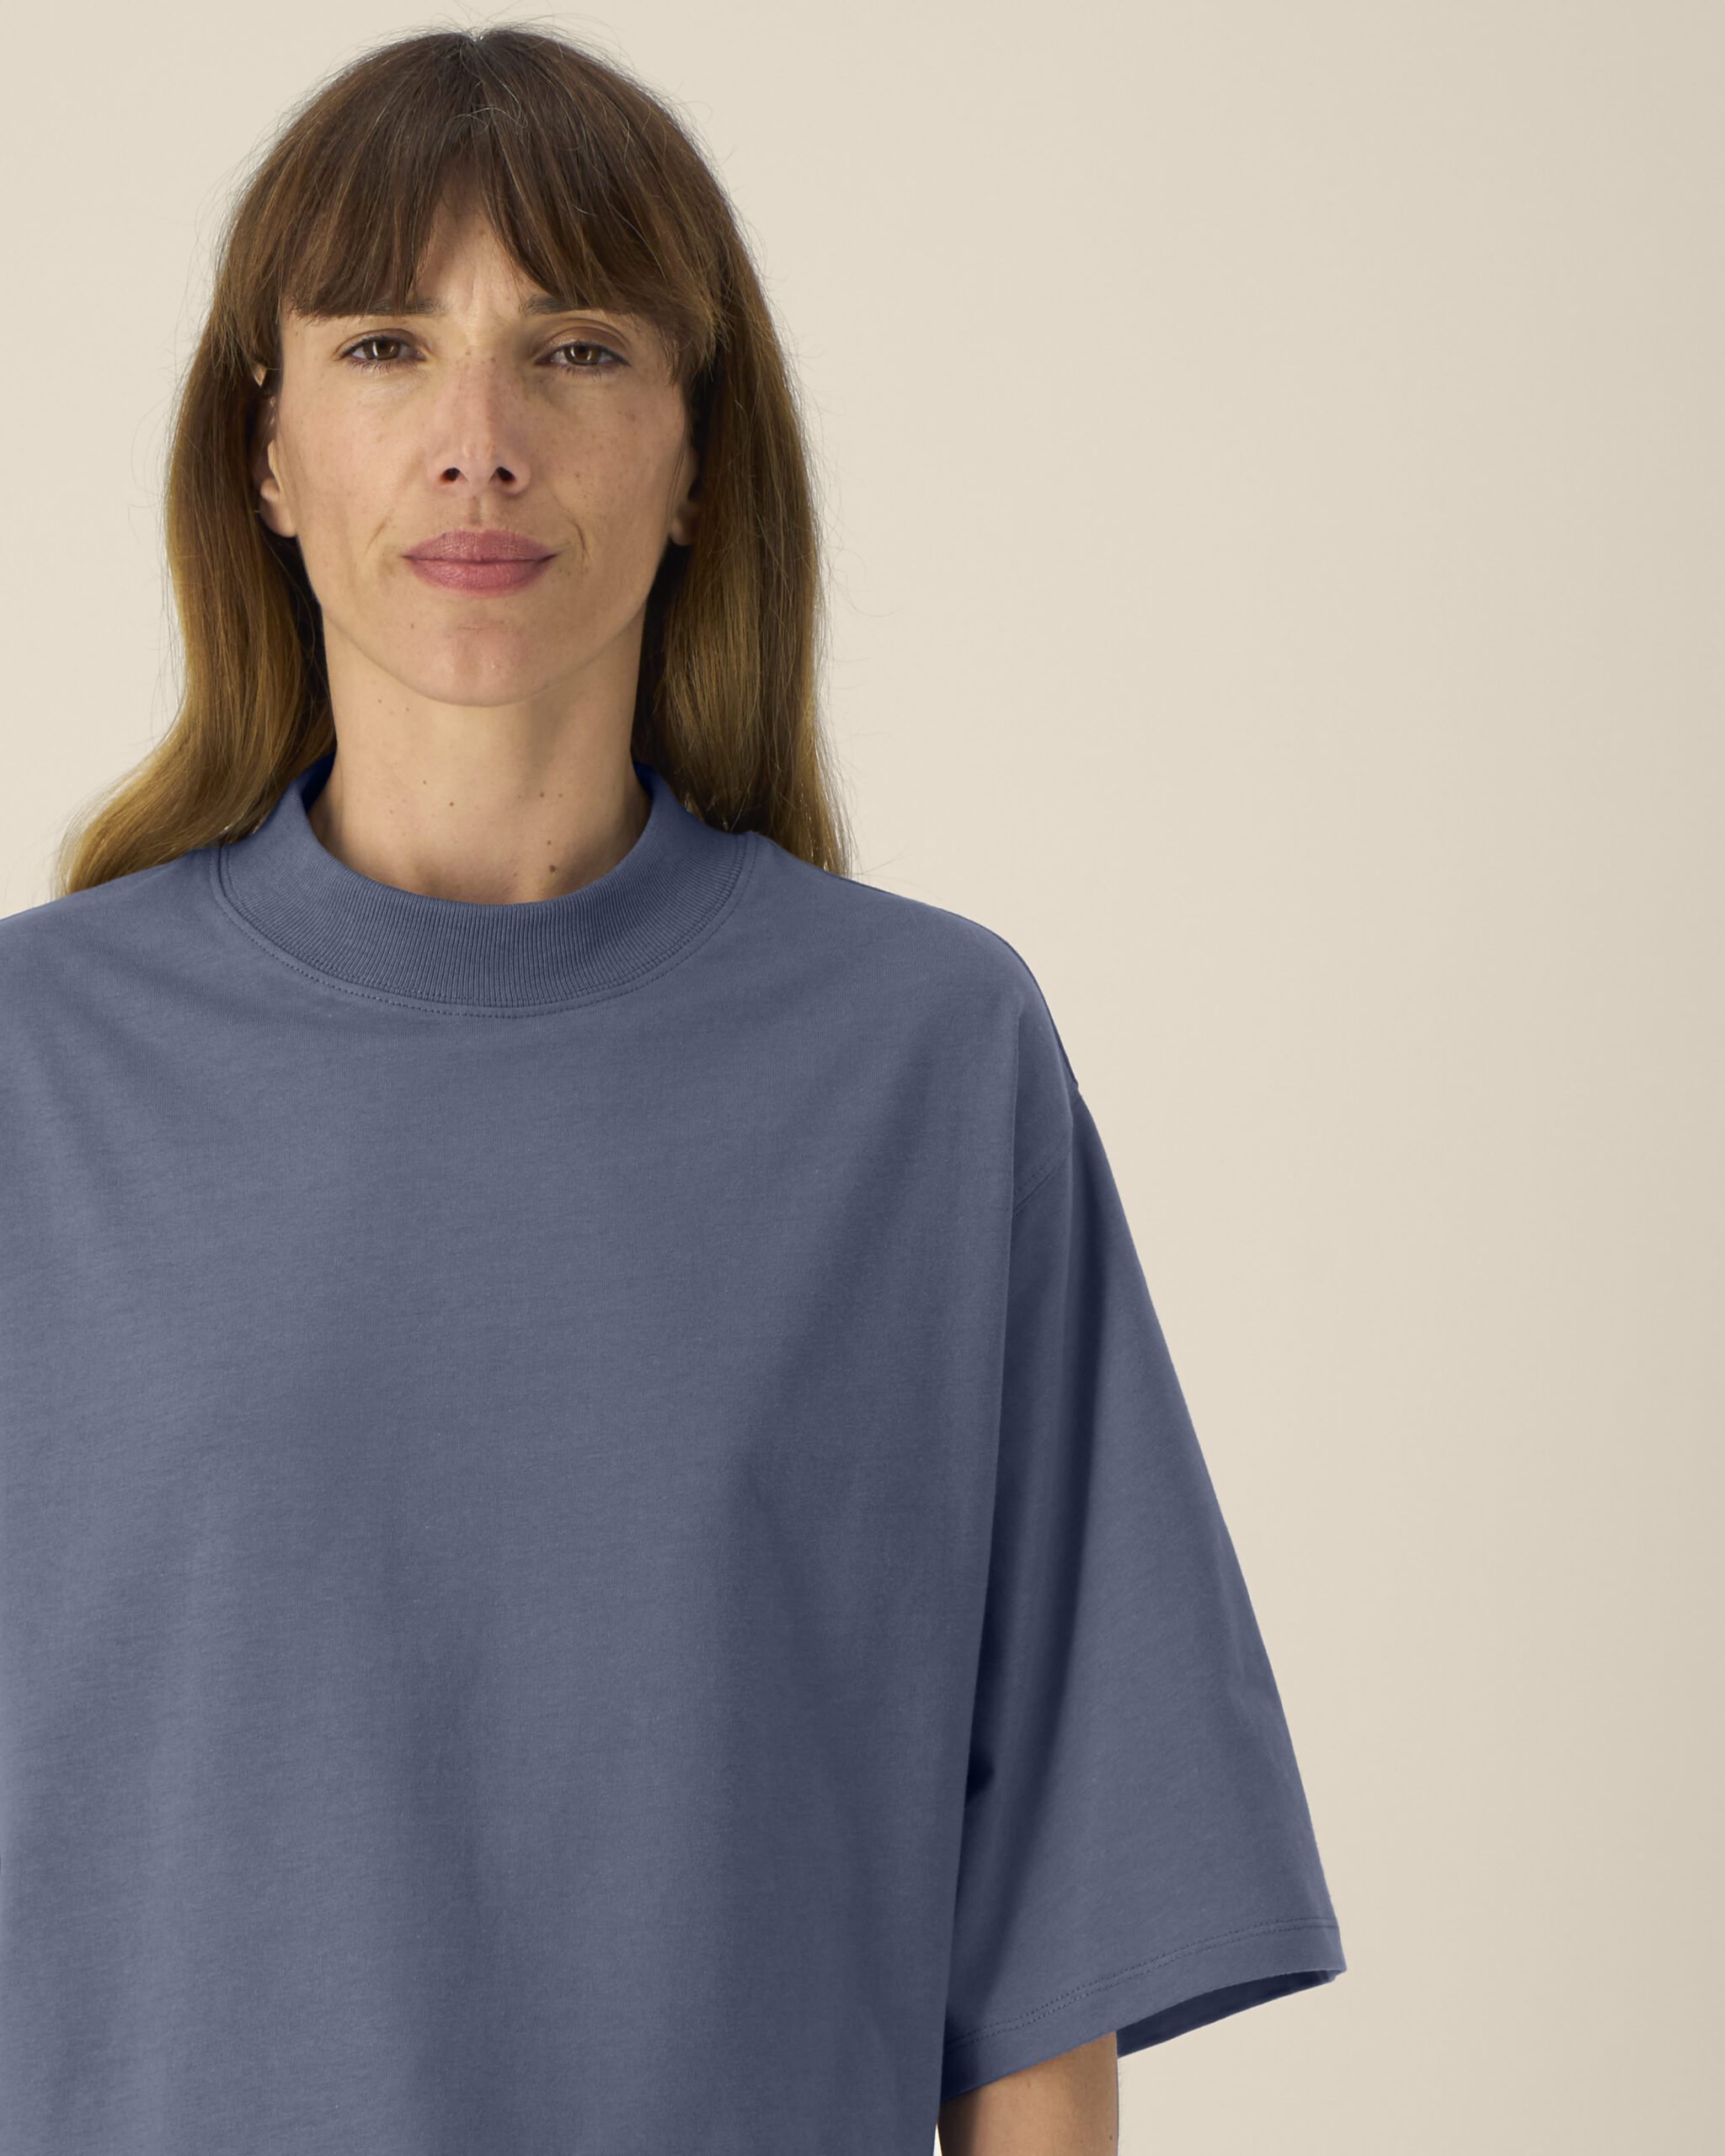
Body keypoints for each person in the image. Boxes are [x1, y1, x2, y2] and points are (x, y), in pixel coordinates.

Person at [0, 25, 1345, 2156]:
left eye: (576, 350)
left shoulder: (923, 1064)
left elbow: (1045, 1938)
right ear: (263, 453)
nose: (477, 443)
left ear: (701, 454)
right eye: (382, 346)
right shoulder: (38, 1075)